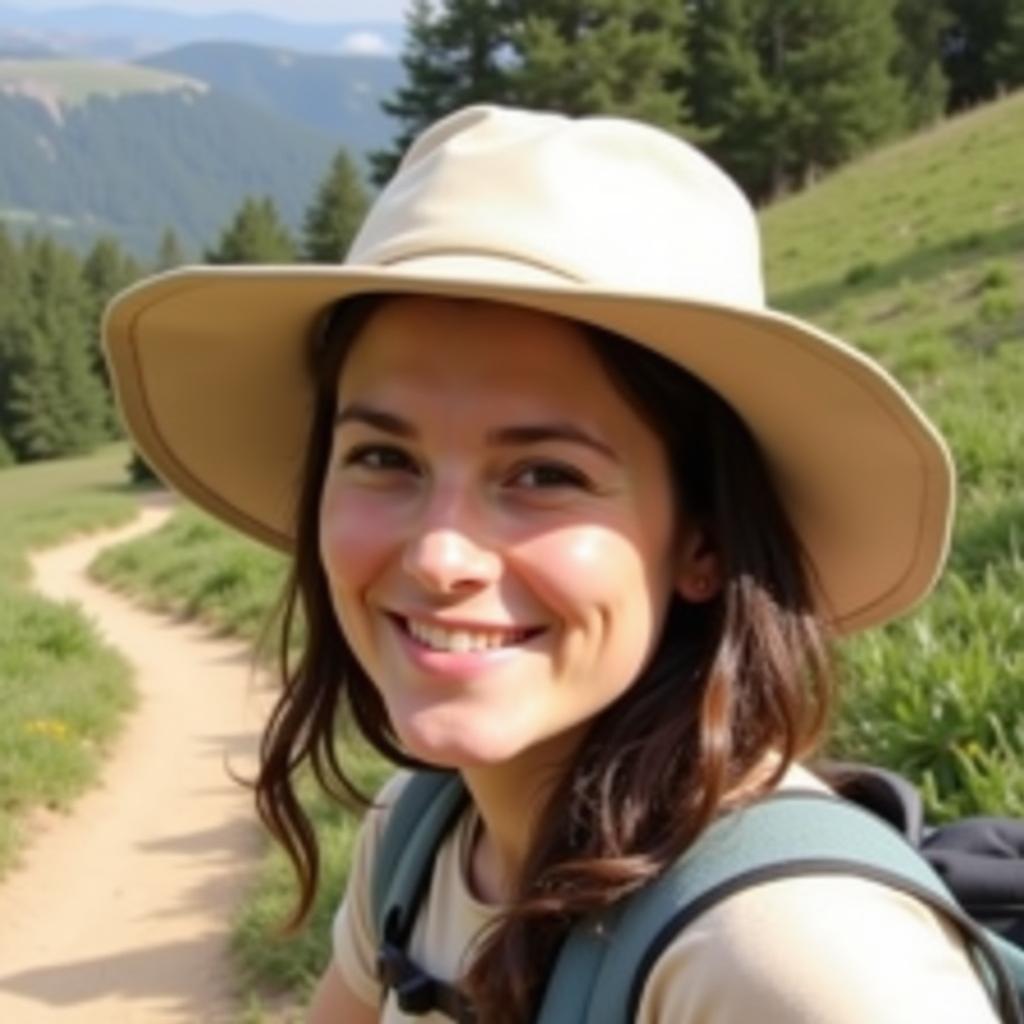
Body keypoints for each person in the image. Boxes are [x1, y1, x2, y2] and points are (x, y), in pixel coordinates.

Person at [102, 105, 996, 1022]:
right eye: (383, 457)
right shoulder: (424, 836)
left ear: (703, 542)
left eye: (544, 475)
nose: (440, 554)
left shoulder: (792, 962)